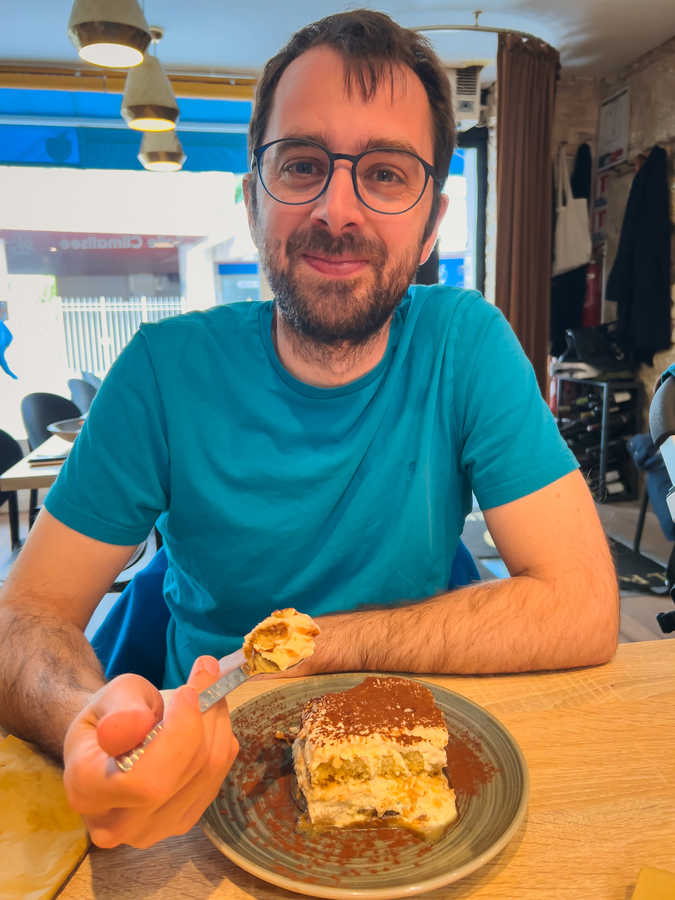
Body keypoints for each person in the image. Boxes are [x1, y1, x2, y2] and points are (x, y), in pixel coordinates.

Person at [0, 9, 618, 849]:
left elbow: (582, 604)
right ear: (252, 197)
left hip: (425, 774)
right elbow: (24, 614)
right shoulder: (158, 373)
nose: (337, 210)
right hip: (199, 787)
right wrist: (85, 721)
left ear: (432, 219)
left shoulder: (466, 344)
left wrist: (322, 646)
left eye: (387, 175)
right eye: (300, 165)